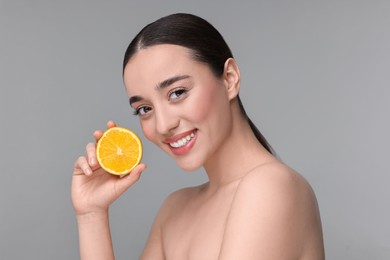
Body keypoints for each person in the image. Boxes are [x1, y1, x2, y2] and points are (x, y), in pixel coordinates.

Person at [72, 13, 325, 260]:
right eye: (145, 109)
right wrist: (91, 214)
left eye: (177, 92)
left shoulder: (271, 186)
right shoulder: (174, 210)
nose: (163, 125)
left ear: (229, 79)